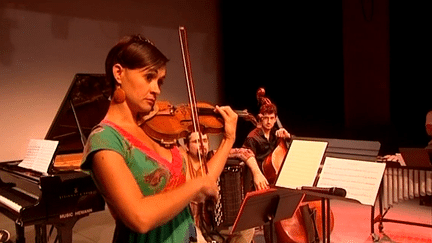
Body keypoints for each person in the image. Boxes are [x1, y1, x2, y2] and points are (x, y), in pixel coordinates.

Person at [80, 35, 238, 243]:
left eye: (160, 81)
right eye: (149, 77)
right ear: (119, 73)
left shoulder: (154, 130)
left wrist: (228, 140)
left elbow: (202, 185)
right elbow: (140, 217)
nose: (156, 89)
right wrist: (197, 185)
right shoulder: (105, 139)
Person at [181, 131, 258, 243]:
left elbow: (244, 152)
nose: (202, 145)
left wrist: (257, 173)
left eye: (205, 141)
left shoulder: (214, 157)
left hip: (217, 224)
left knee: (248, 227)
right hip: (195, 226)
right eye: (196, 141)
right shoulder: (183, 165)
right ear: (187, 146)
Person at [242, 103, 291, 184]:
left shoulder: (276, 134)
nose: (269, 122)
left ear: (275, 119)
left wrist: (288, 136)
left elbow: (290, 149)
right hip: (259, 181)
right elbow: (247, 158)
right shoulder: (252, 137)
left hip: (274, 179)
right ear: (261, 118)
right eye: (266, 118)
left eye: (272, 118)